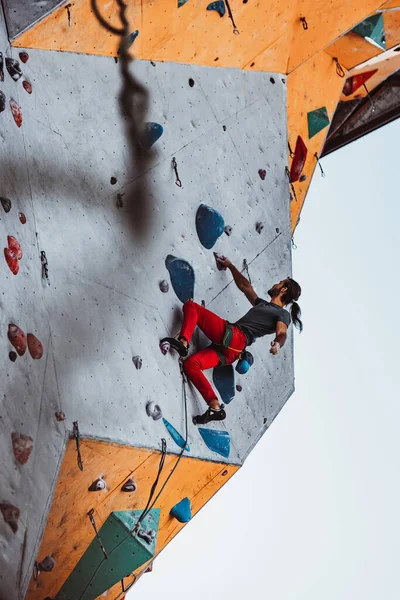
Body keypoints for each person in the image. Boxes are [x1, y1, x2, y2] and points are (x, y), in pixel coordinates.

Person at [161, 257, 303, 424]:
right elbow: (245, 287)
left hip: (235, 337)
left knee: (192, 307)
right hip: (230, 353)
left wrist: (278, 343)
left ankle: (183, 343)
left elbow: (282, 332)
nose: (275, 284)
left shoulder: (282, 314)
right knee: (191, 365)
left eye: (279, 283)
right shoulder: (263, 305)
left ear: (284, 289)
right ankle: (215, 407)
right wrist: (230, 265)